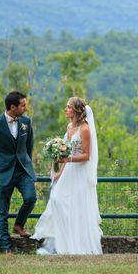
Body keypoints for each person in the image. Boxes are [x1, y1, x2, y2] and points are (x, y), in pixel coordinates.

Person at [31, 97, 103, 254]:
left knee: (76, 206)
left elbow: (86, 155)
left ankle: (77, 244)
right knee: (57, 199)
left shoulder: (84, 129)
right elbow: (67, 151)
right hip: (68, 170)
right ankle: (64, 242)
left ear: (76, 110)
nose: (65, 109)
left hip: (80, 171)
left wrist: (67, 159)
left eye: (68, 107)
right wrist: (59, 171)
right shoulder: (70, 126)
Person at [0, 91, 37, 254]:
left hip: (22, 170)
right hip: (2, 172)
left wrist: (26, 163)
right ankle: (5, 246)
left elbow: (29, 146)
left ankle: (19, 224)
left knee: (31, 197)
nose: (25, 108)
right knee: (2, 211)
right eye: (23, 105)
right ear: (12, 107)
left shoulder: (26, 122)